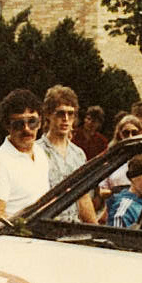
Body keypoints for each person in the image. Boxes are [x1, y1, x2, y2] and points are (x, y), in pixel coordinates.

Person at [0, 89, 50, 230]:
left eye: (32, 122)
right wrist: (24, 231)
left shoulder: (40, 152)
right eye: (19, 124)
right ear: (7, 126)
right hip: (15, 240)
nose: (27, 129)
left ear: (40, 122)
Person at [38, 85, 97, 223]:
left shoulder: (78, 154)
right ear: (48, 114)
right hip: (45, 226)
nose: (66, 119)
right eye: (60, 113)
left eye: (70, 114)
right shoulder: (37, 151)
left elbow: (83, 198)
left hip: (74, 226)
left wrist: (96, 229)